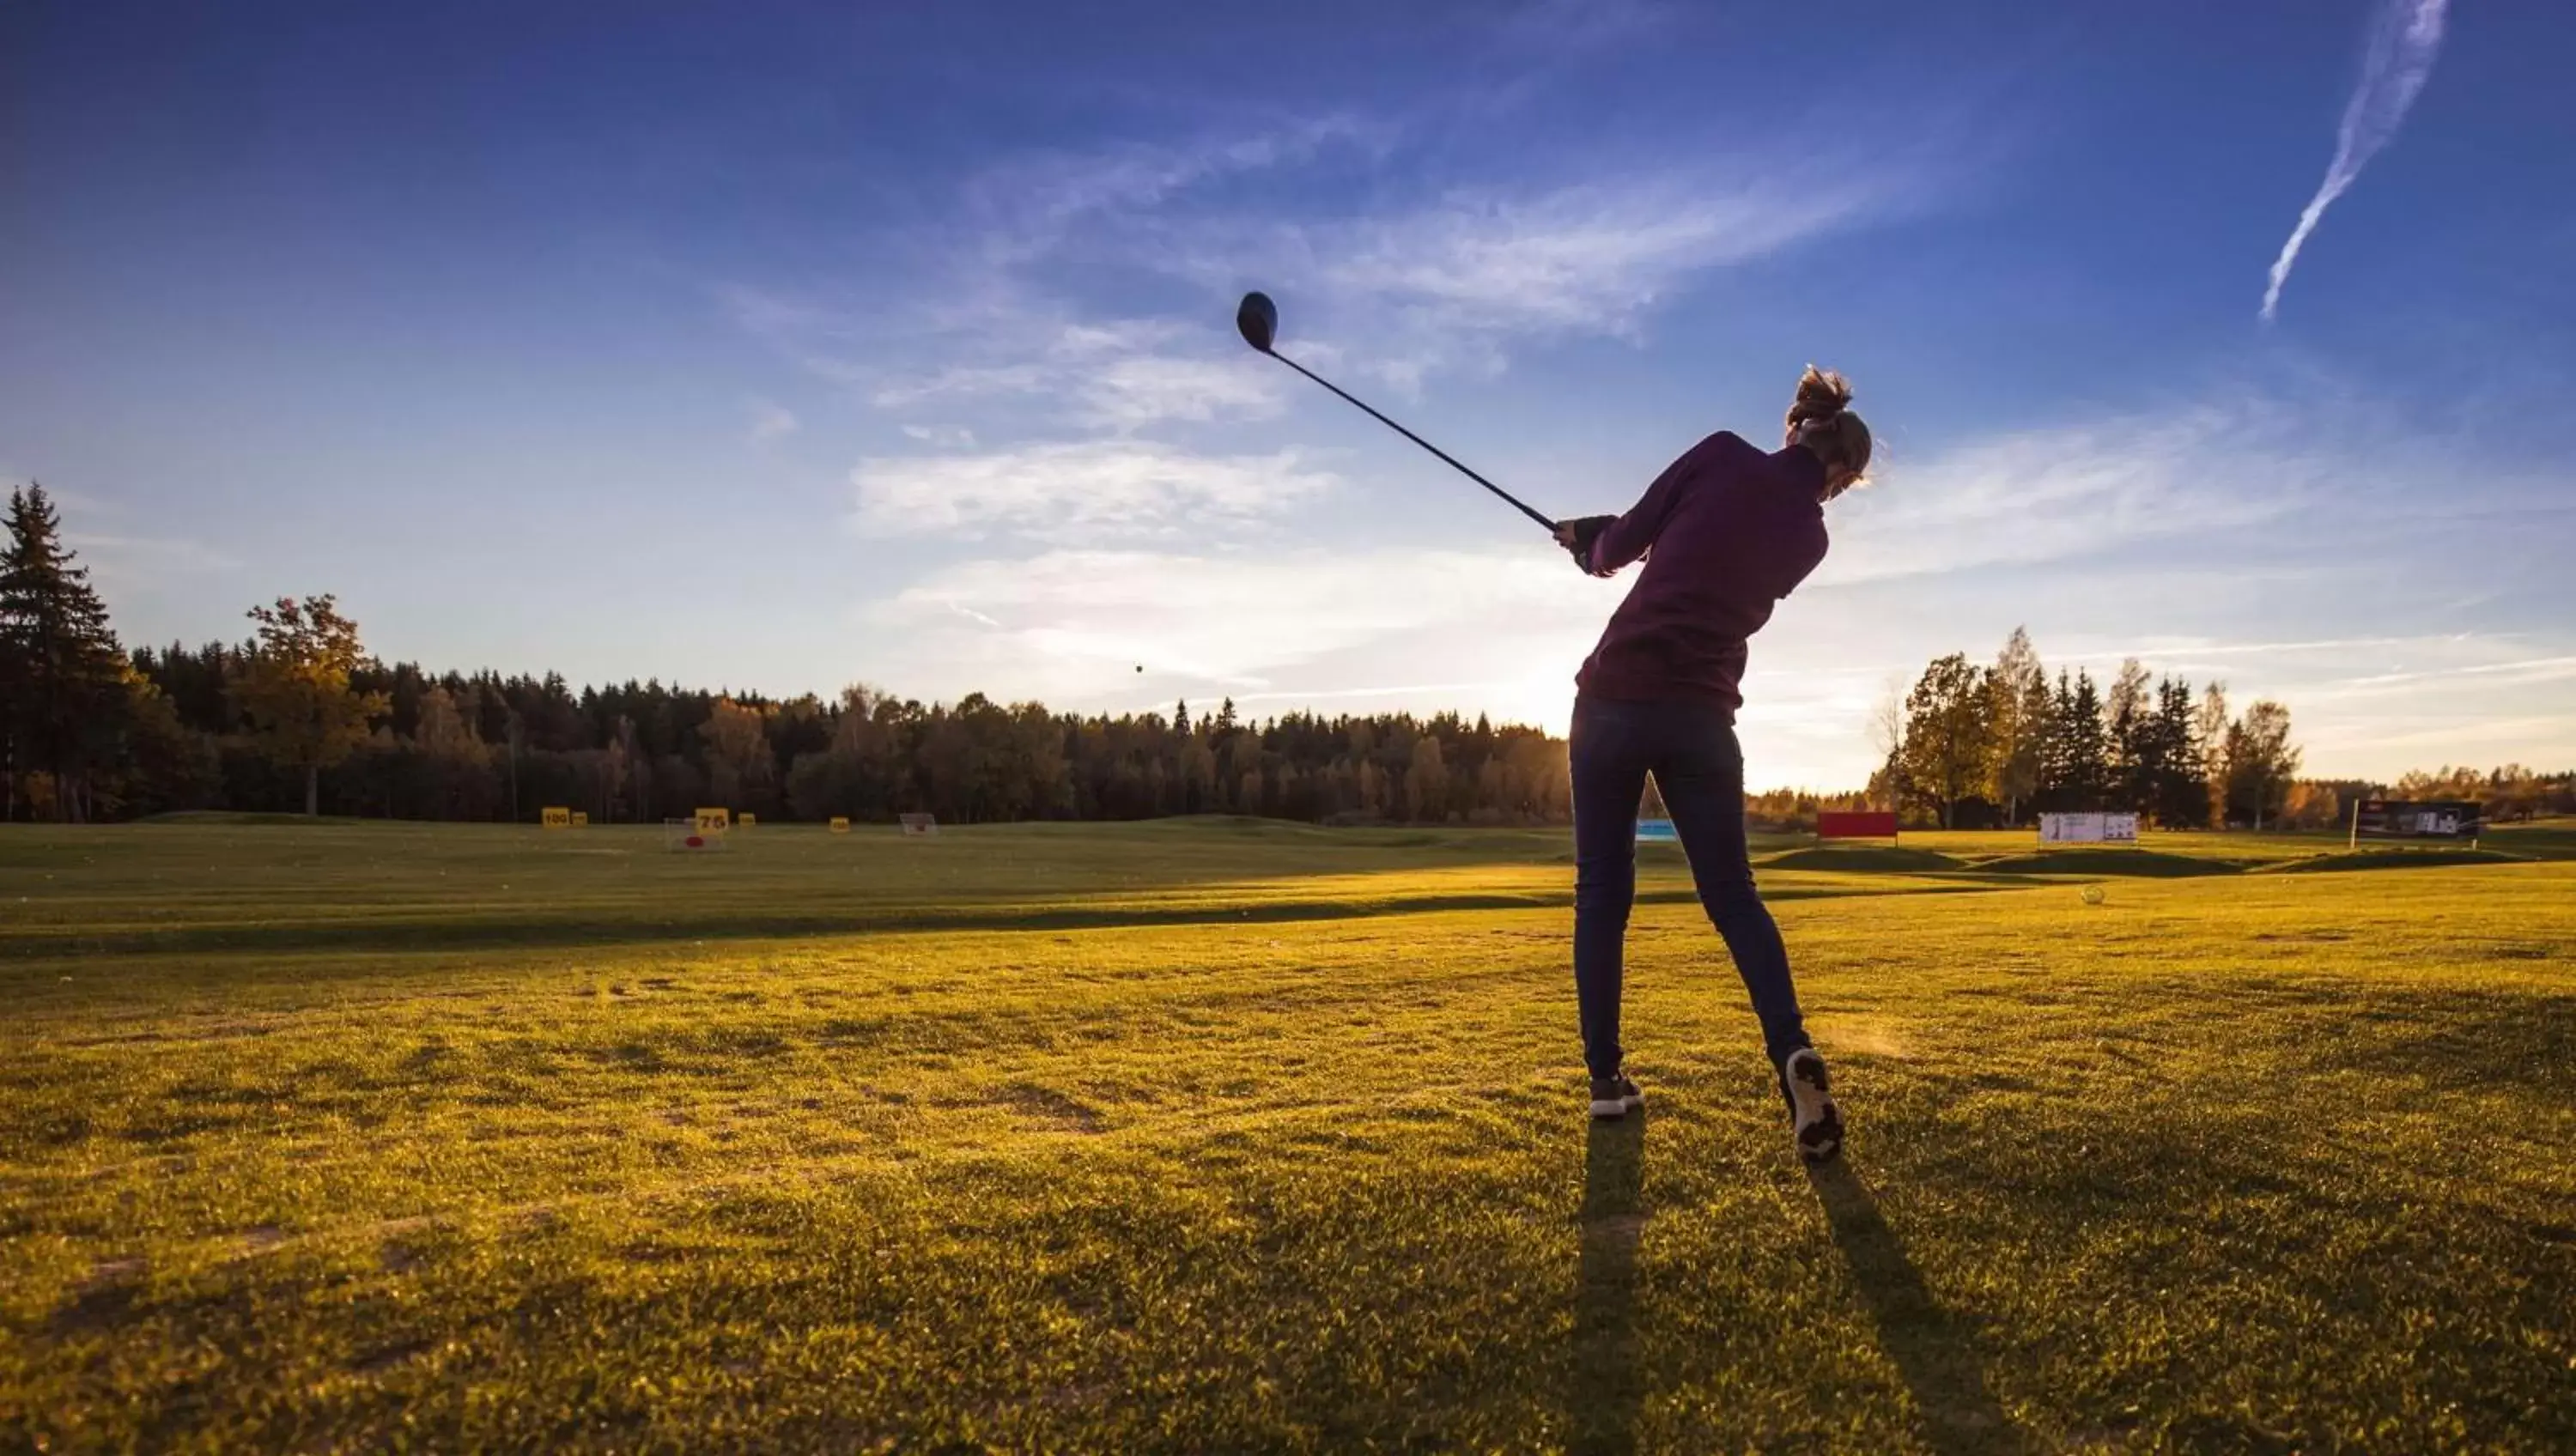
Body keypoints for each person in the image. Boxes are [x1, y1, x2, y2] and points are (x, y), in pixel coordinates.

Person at [1552, 366, 1872, 1162]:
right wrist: (1610, 539)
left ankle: (1605, 1083)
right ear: (1838, 479)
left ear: (1795, 423)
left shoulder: (1723, 452)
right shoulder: (1811, 539)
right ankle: (1789, 1049)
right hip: (1699, 718)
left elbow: (1627, 545)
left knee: (1603, 889)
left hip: (1612, 701)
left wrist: (1592, 545)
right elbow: (1710, 558)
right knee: (1733, 896)